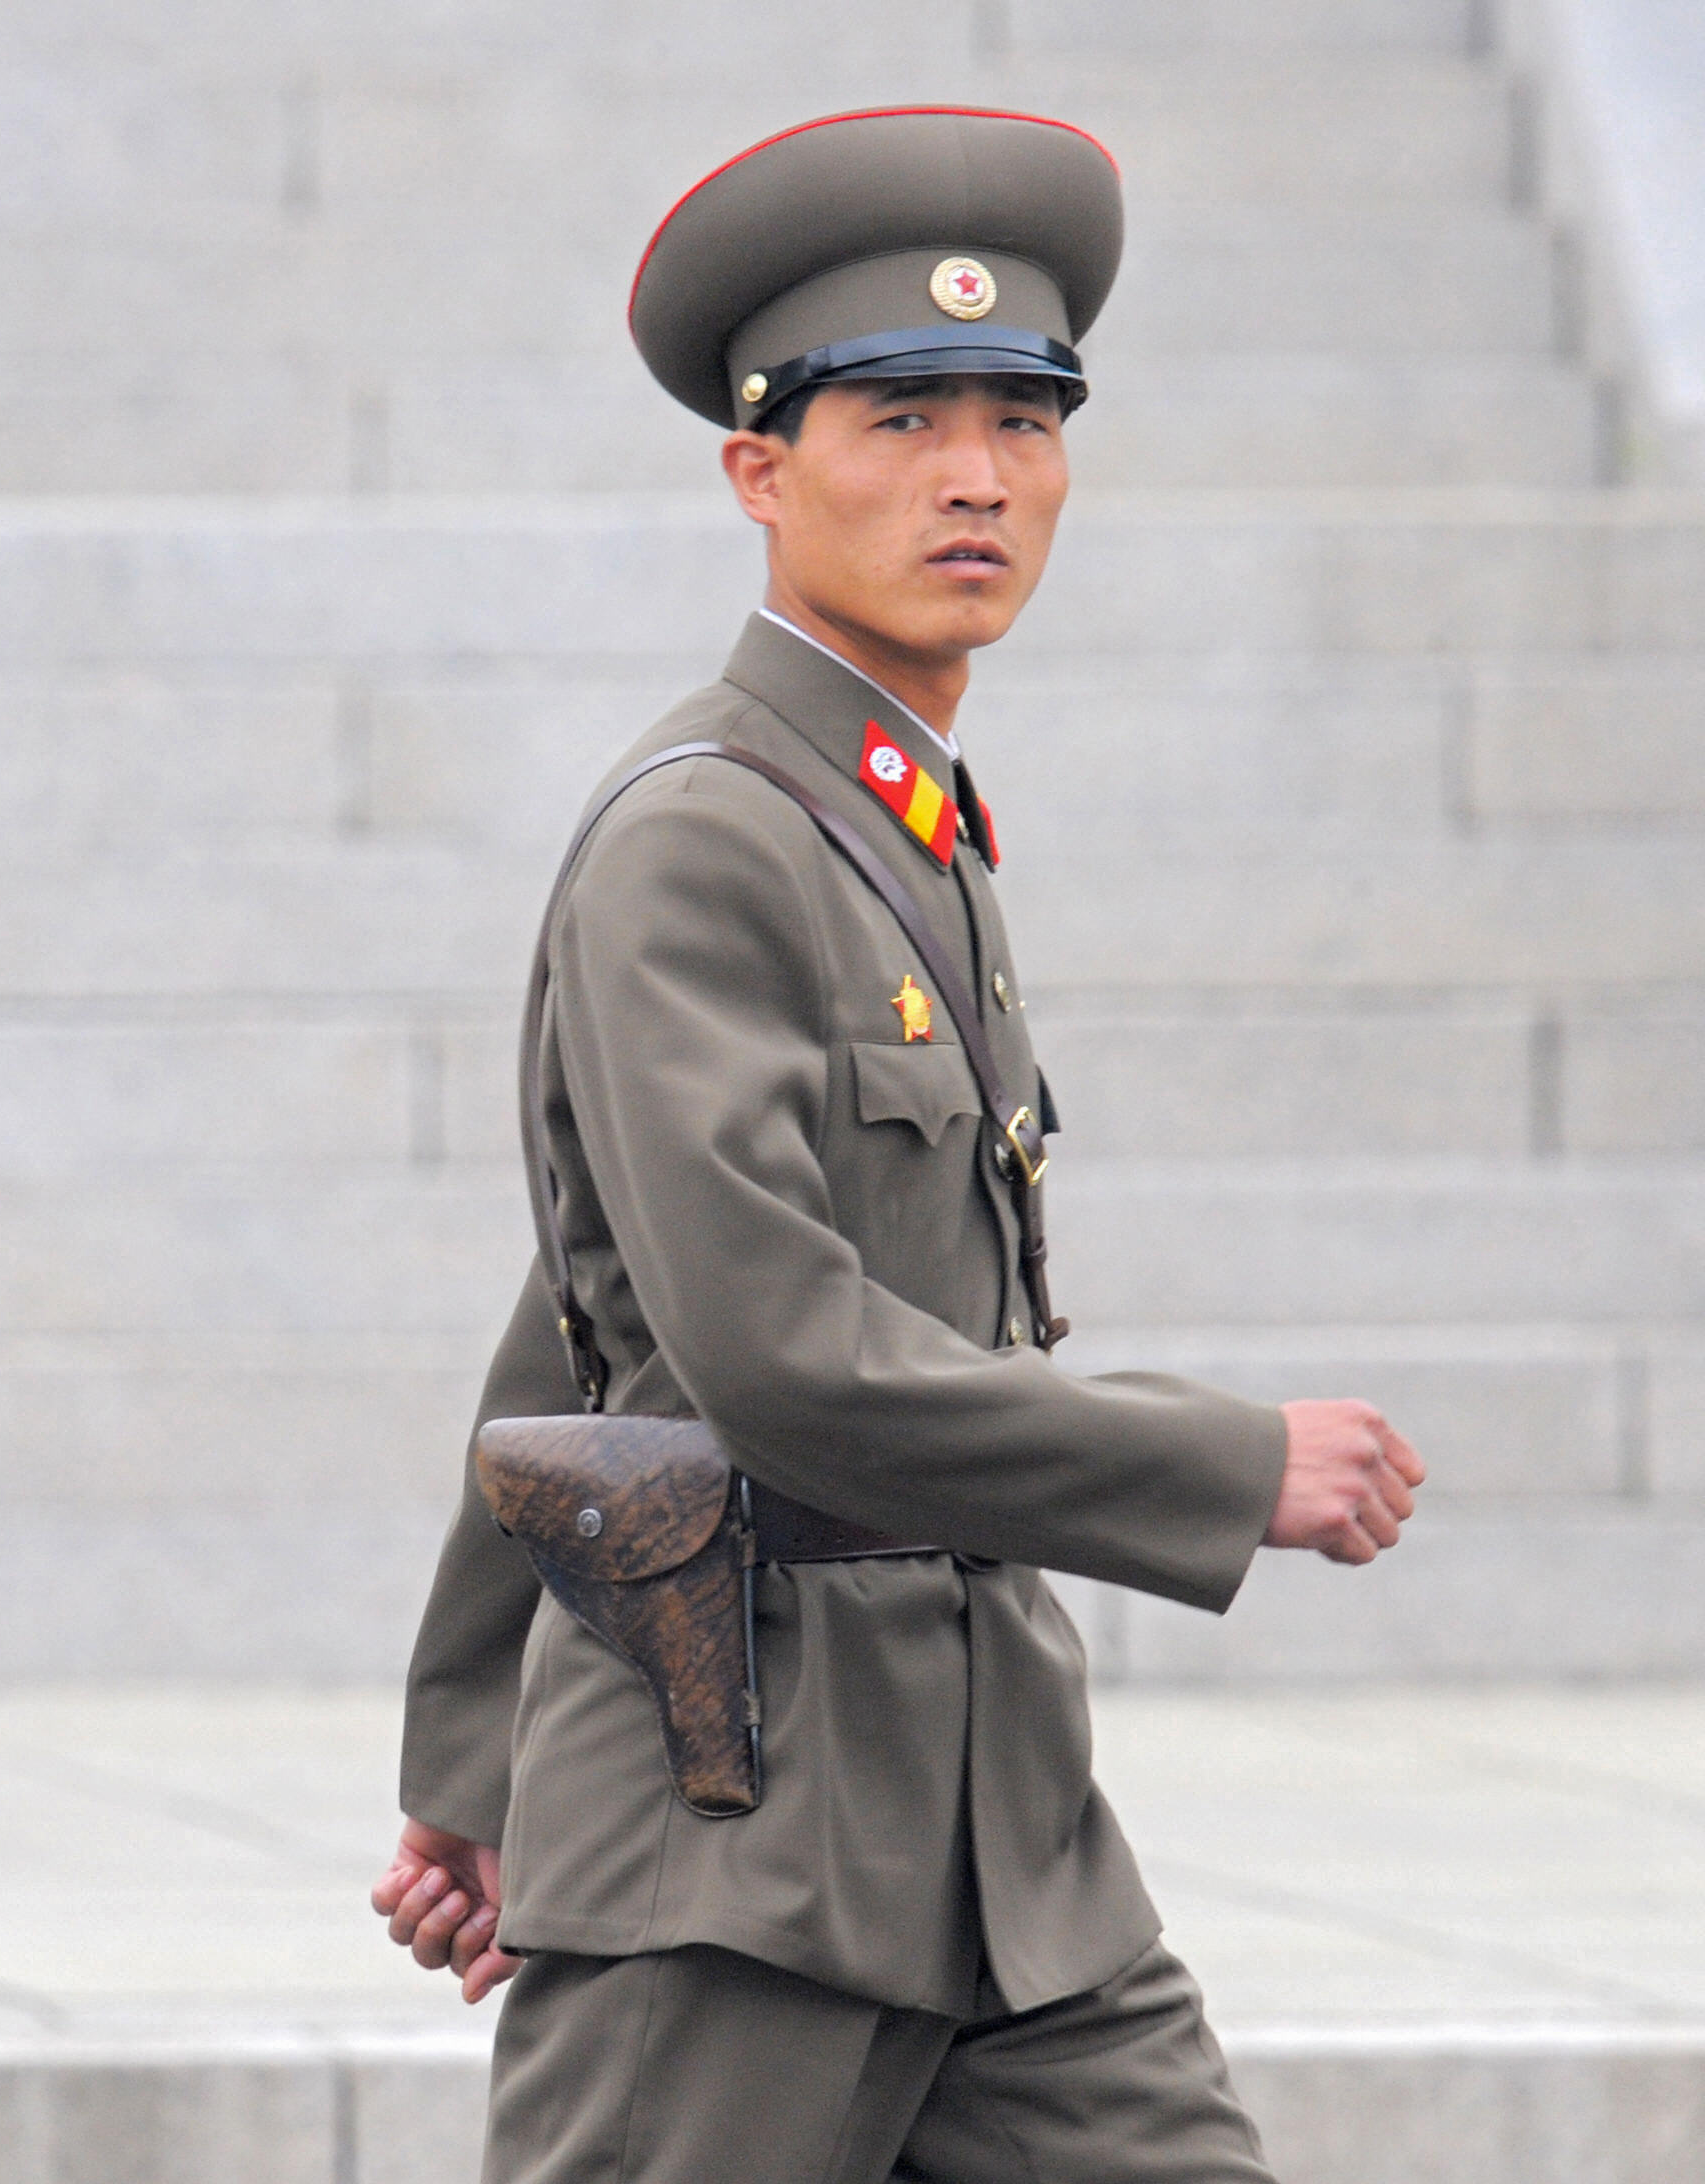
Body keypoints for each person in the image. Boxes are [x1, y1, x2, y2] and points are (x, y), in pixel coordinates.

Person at [369, 106, 1427, 2184]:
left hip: (995, 1848)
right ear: (759, 472)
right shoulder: (704, 837)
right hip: (736, 1846)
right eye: (903, 419)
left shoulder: (896, 824)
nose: (977, 477)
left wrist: (464, 1746)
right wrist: (1225, 1466)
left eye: (1023, 421)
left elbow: (580, 1304)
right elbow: (753, 1352)